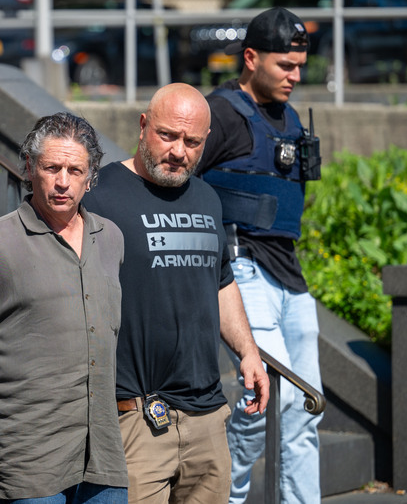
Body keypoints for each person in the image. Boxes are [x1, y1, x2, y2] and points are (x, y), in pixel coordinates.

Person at [82, 83, 269, 504]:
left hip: (207, 417)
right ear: (144, 125)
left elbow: (220, 281)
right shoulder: (98, 196)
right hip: (137, 420)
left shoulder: (206, 198)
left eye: (193, 142)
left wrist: (248, 352)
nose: (179, 151)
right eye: (168, 135)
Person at [0, 112, 129, 504]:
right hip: (27, 466)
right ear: (29, 168)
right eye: (52, 167)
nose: (63, 181)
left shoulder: (110, 238)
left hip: (104, 457)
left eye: (75, 170)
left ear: (90, 175)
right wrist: (3, 418)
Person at [196, 7, 322, 504]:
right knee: (268, 397)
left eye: (299, 67)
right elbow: (177, 178)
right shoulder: (222, 112)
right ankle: (224, 497)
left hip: (290, 277)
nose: (295, 77)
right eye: (284, 66)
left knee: (307, 406)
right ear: (250, 58)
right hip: (240, 266)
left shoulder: (288, 117)